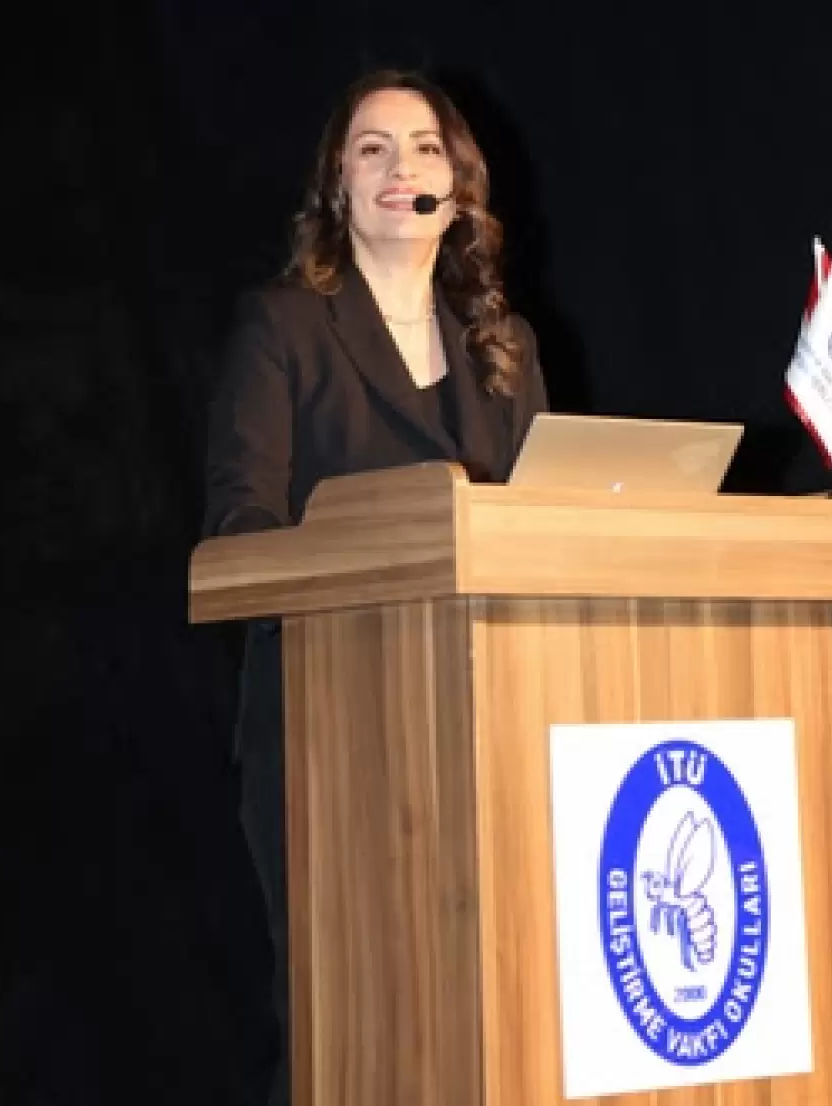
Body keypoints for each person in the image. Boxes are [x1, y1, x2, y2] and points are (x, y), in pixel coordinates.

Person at [202, 69, 548, 1105]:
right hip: (330, 728)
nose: (402, 168)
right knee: (346, 1028)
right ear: (337, 188)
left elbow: (542, 524)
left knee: (487, 1014)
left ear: (459, 185)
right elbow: (237, 533)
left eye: (426, 148)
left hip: (490, 725)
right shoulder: (283, 327)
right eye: (372, 149)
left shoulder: (505, 345)